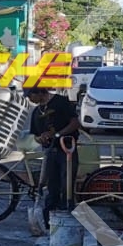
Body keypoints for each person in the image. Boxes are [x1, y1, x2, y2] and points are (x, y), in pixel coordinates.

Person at [28, 85, 80, 228]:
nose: (29, 99)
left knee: (67, 184)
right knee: (52, 186)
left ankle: (68, 215)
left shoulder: (61, 102)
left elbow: (75, 123)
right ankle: (50, 223)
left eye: (30, 95)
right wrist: (40, 138)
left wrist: (58, 134)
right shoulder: (36, 112)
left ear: (40, 92)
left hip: (66, 148)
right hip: (50, 151)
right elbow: (35, 135)